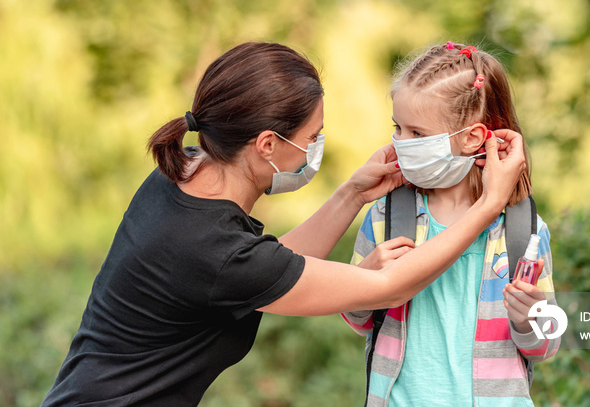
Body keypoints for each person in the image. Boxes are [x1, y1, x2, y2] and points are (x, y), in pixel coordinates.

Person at [41, 42, 525, 406]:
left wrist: (351, 193)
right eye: (312, 137)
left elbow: (269, 268)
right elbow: (388, 289)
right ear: (268, 145)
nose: (317, 147)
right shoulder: (215, 251)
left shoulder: (180, 175)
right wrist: (490, 205)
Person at [342, 42, 559, 406]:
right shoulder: (387, 216)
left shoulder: (524, 230)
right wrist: (364, 280)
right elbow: (359, 320)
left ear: (472, 137)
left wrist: (528, 320)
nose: (400, 143)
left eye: (418, 134)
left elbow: (545, 346)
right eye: (398, 128)